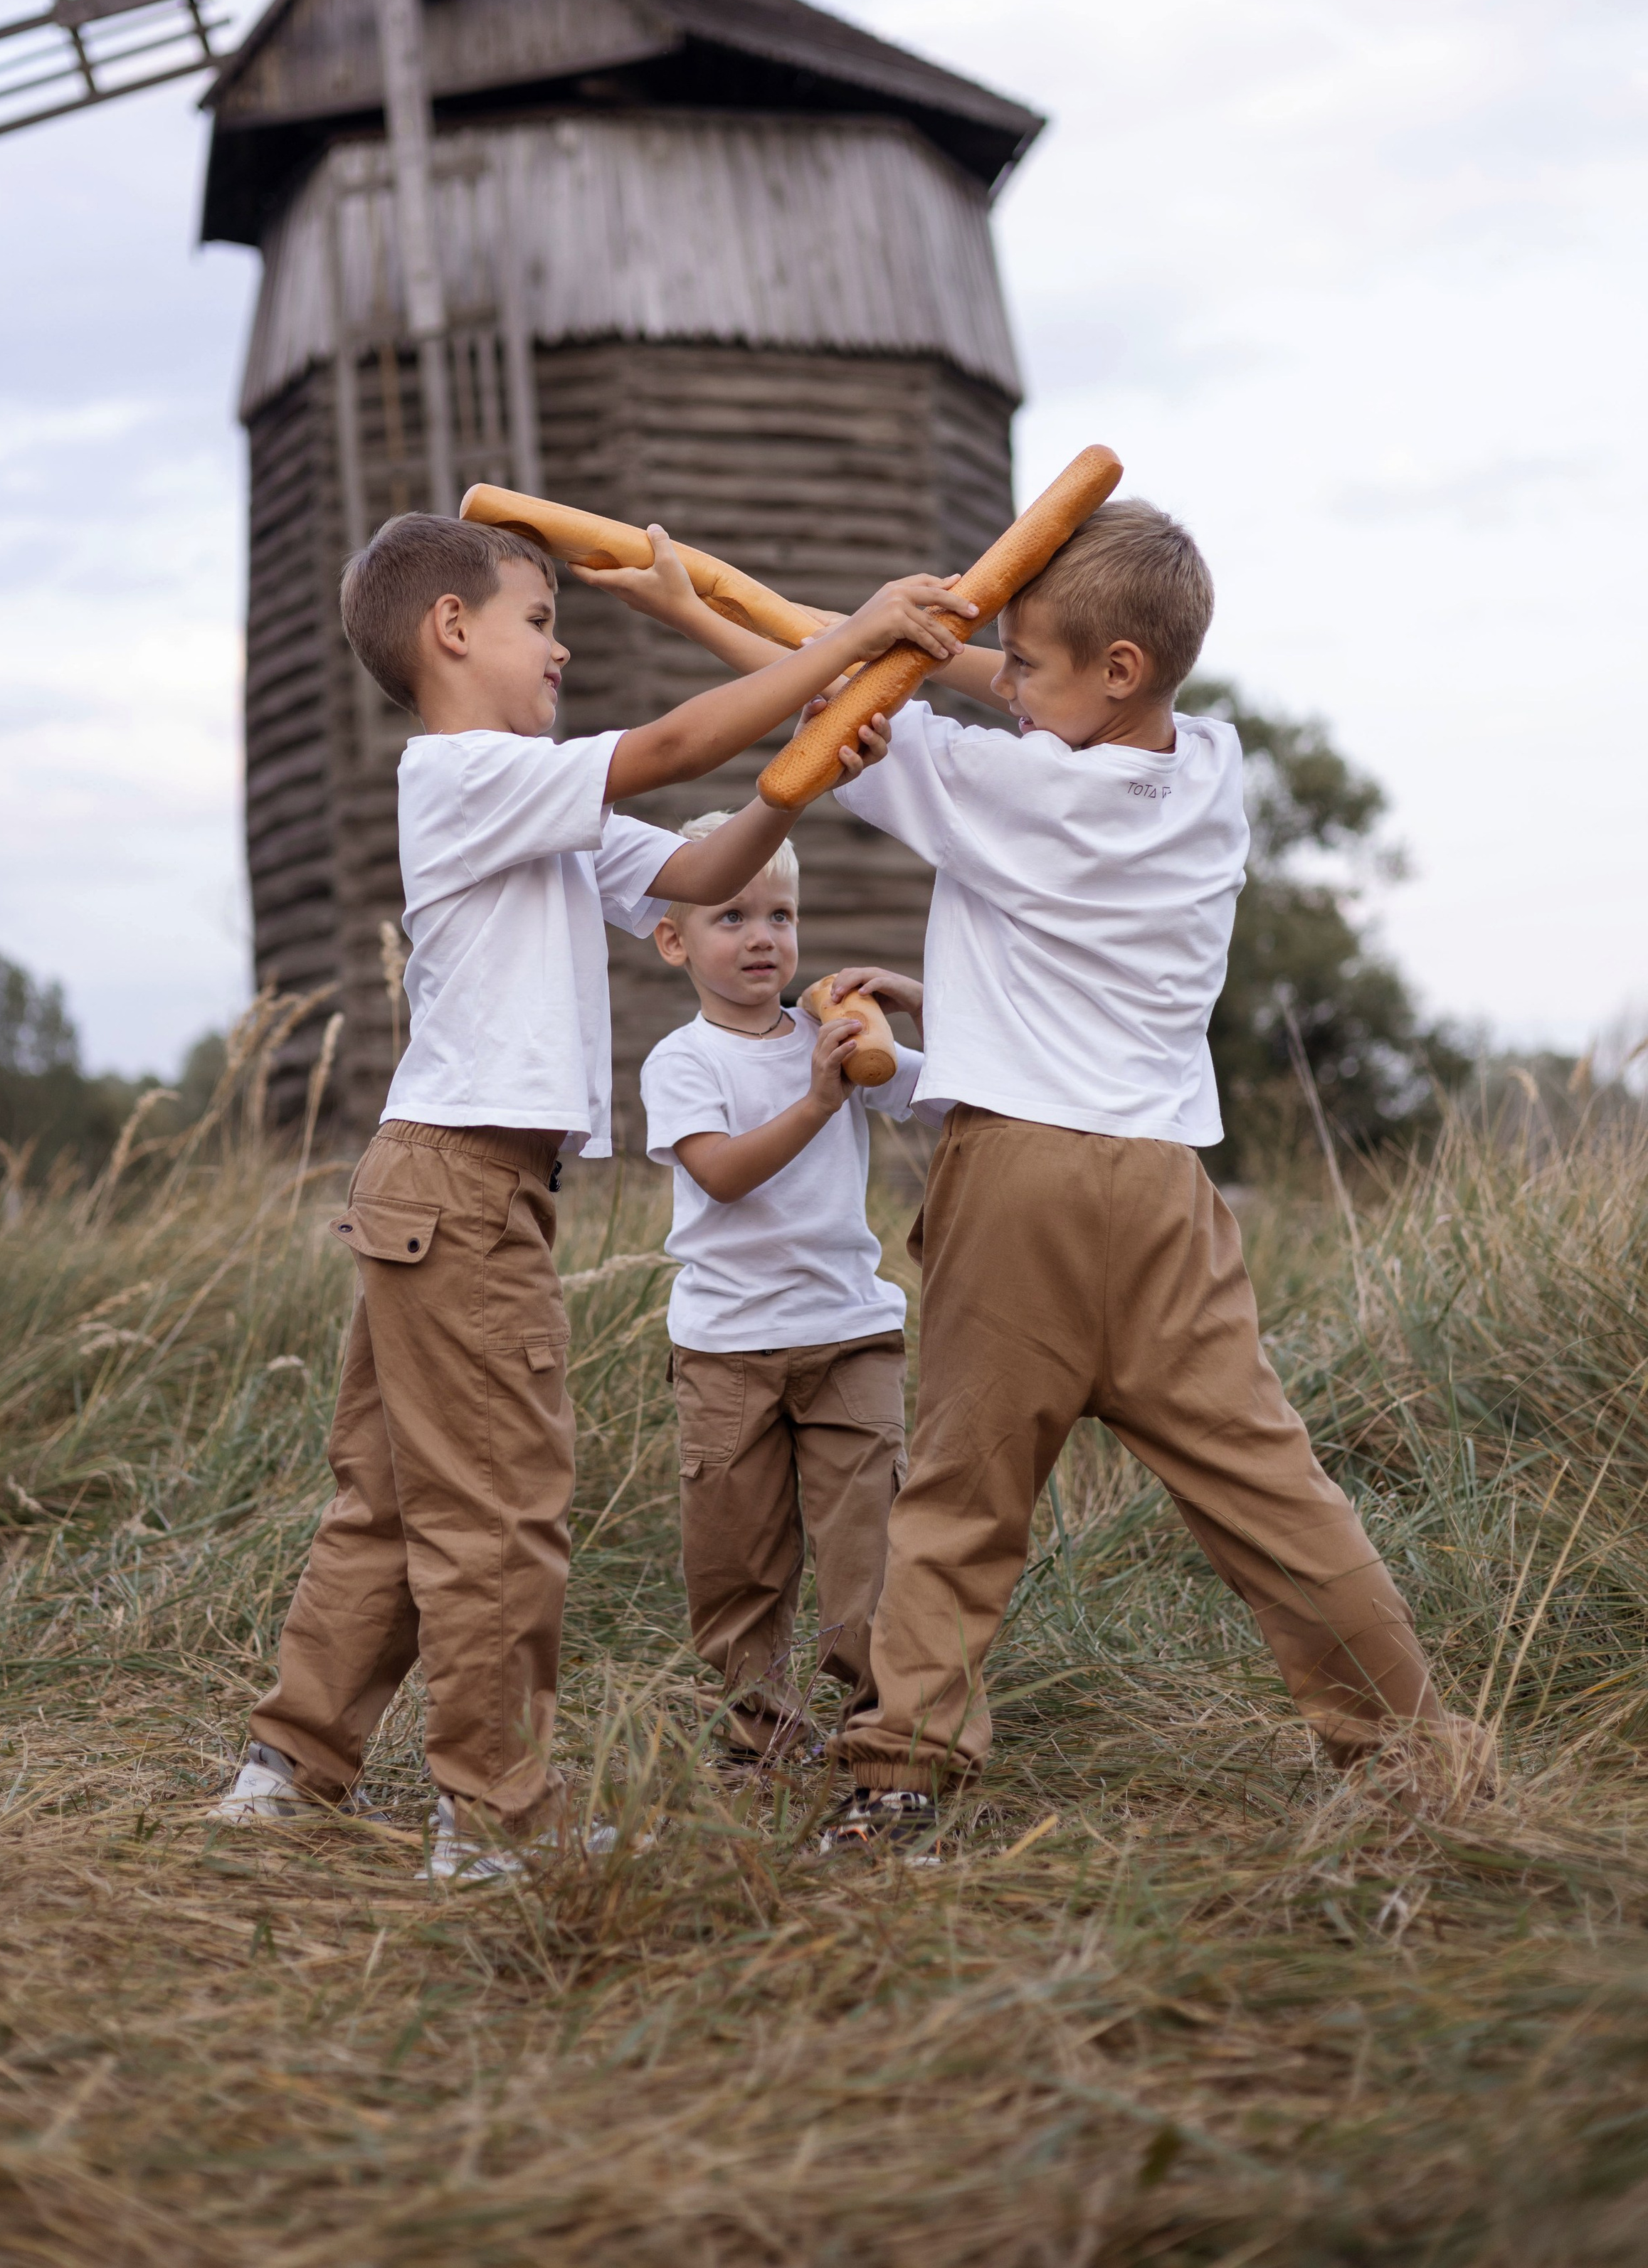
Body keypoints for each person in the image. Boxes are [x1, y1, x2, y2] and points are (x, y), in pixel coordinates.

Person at [584, 502, 1486, 1854]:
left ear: (1115, 670)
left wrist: (691, 606)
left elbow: (838, 695)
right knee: (1275, 1491)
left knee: (956, 1494)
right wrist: (964, 647)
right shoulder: (1214, 771)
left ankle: (899, 1780)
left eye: (1027, 669)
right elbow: (982, 689)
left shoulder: (1000, 786)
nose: (1003, 689)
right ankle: (1418, 1759)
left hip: (1022, 1181)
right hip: (1169, 1192)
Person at [204, 511, 966, 1877]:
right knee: (501, 1502)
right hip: (463, 1188)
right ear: (453, 631)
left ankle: (290, 1767)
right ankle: (492, 1819)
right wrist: (846, 640)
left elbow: (704, 866)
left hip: (437, 1186)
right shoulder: (464, 773)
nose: (560, 651)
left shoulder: (541, 810)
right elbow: (671, 751)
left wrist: (801, 774)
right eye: (540, 623)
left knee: (390, 1496)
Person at [639, 812, 928, 1766]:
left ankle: (885, 1744)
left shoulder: (835, 1035)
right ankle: (758, 1746)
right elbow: (719, 1172)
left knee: (871, 1561)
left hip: (848, 1335)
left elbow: (957, 1084)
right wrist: (816, 1100)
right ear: (673, 940)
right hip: (726, 1351)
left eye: (782, 914)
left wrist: (914, 1002)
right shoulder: (684, 1061)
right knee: (737, 1567)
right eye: (732, 917)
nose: (764, 937)